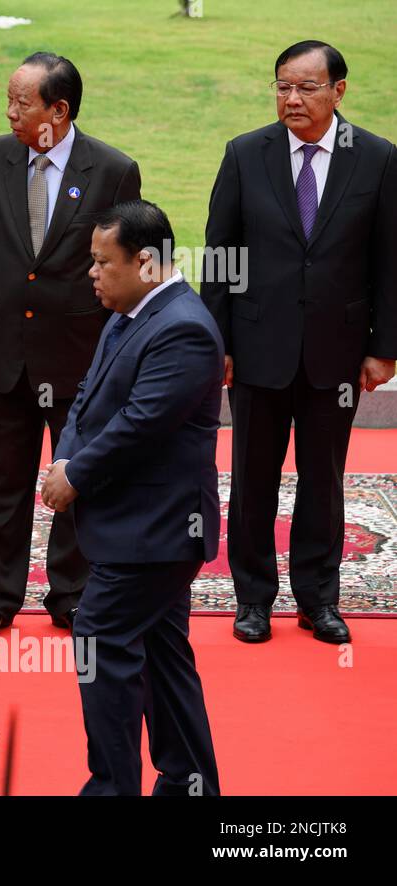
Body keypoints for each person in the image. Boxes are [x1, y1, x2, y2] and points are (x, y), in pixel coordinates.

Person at [202, 40, 397, 645]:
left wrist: (383, 346)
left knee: (325, 478)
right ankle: (253, 600)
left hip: (336, 353)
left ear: (339, 91)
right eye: (282, 86)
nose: (292, 98)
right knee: (253, 478)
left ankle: (319, 599)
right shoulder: (245, 154)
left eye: (306, 87)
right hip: (258, 349)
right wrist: (219, 343)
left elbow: (389, 261)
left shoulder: (377, 159)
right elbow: (221, 256)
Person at [0, 52, 142, 639]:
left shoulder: (112, 169)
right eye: (8, 100)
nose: (9, 112)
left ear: (58, 110)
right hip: (6, 351)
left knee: (79, 477)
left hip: (81, 354)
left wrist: (123, 348)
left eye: (21, 102)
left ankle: (73, 594)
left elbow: (128, 267)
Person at [42, 199, 221, 796]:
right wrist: (65, 456)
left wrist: (77, 476)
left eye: (101, 262)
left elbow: (140, 425)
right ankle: (190, 784)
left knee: (98, 639)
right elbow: (90, 397)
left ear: (146, 261)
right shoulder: (131, 311)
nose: (91, 273)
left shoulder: (184, 328)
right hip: (137, 526)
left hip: (158, 530)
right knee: (164, 658)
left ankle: (111, 788)